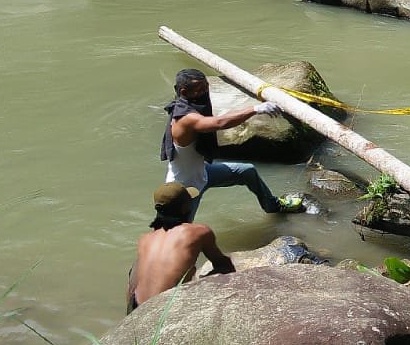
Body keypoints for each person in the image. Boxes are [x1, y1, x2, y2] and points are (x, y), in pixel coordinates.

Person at [161, 68, 305, 219]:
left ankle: (273, 205)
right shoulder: (184, 119)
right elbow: (218, 123)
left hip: (203, 173)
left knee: (247, 172)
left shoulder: (192, 108)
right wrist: (255, 109)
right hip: (186, 187)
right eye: (200, 89)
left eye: (206, 87)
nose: (205, 92)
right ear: (184, 93)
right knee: (178, 231)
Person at [127, 183, 236, 313]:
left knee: (138, 266)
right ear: (185, 208)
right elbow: (224, 266)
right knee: (194, 270)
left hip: (135, 308)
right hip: (163, 312)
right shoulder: (199, 232)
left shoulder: (145, 239)